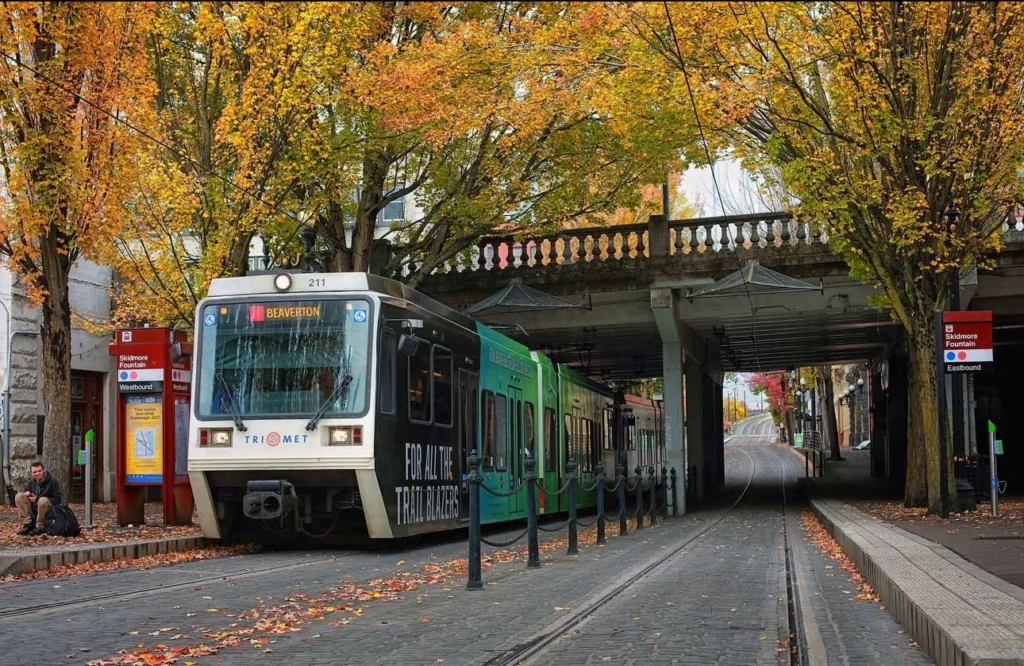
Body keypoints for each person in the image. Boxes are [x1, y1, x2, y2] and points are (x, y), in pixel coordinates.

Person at [15, 462, 62, 536]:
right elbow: (26, 498)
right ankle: (27, 524)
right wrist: (27, 494)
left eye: (39, 471)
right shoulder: (30, 483)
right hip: (33, 512)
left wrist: (37, 499)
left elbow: (58, 500)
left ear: (43, 470)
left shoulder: (52, 482)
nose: (37, 473)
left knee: (42, 500)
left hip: (47, 513)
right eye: (34, 472)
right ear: (31, 473)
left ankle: (40, 527)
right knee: (19, 496)